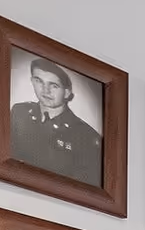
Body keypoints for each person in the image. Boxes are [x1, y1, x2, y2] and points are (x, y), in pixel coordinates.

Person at [10, 57, 101, 185]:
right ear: (32, 81)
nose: (45, 90)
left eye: (54, 85)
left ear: (67, 93)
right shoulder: (19, 112)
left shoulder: (87, 137)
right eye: (39, 81)